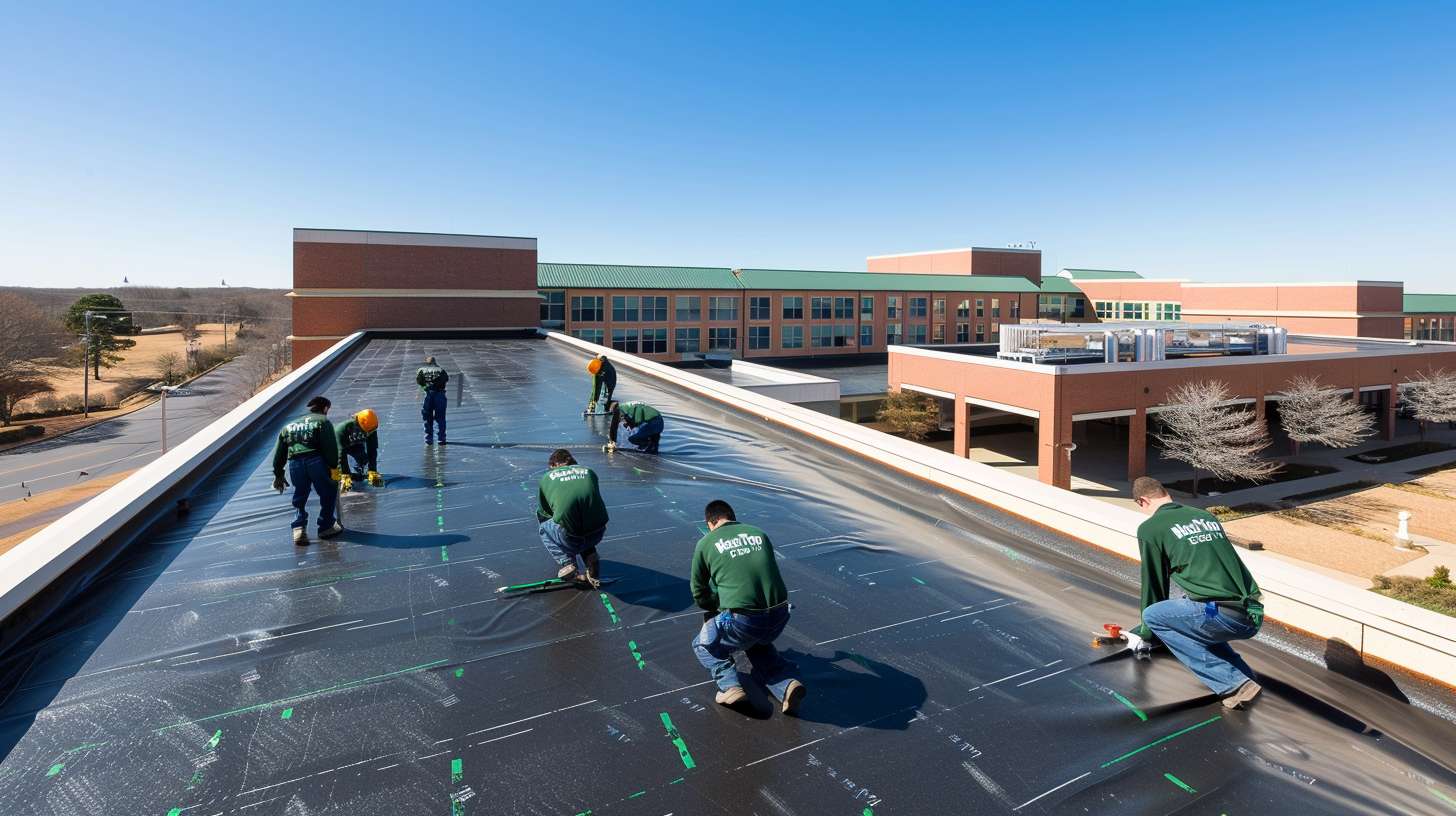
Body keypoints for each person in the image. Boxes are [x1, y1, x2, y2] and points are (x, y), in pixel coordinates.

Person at [1126, 476, 1263, 710]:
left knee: (1154, 616)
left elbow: (1154, 584)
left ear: (1142, 501)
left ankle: (1233, 684)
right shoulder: (1204, 517)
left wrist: (1147, 633)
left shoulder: (1151, 528)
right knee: (1192, 617)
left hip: (1219, 614)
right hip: (1249, 611)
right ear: (1165, 493)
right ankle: (1245, 677)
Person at [690, 500, 805, 713]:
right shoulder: (758, 533)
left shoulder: (706, 543)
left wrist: (714, 607)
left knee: (702, 644)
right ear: (732, 517)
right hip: (780, 614)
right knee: (756, 643)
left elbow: (699, 592)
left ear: (710, 523)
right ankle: (786, 684)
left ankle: (730, 687)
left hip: (745, 620)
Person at [271, 395, 342, 545]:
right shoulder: (323, 422)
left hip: (295, 464)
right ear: (325, 408)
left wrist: (278, 474)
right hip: (315, 461)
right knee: (328, 492)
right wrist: (333, 467)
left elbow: (279, 454)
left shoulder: (289, 426)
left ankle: (299, 528)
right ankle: (326, 526)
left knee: (300, 495)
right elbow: (331, 448)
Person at [536, 449, 609, 586]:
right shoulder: (589, 471)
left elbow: (545, 512)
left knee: (544, 527)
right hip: (598, 531)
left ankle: (568, 563)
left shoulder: (547, 477)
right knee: (583, 515)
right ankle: (590, 556)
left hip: (571, 536)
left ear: (552, 465)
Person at [335, 408, 383, 491]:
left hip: (354, 445)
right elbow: (340, 453)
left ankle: (355, 473)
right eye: (367, 432)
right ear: (359, 424)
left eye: (370, 432)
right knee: (333, 472)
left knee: (363, 461)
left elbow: (372, 449)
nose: (368, 434)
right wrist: (345, 474)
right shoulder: (341, 429)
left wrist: (372, 470)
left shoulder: (370, 428)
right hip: (335, 448)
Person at [416, 355, 449, 445]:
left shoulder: (422, 370)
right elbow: (446, 379)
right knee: (441, 417)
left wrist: (426, 387)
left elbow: (419, 381)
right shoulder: (441, 370)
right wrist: (436, 384)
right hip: (439, 394)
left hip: (428, 395)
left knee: (427, 416)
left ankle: (428, 438)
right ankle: (441, 438)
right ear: (435, 362)